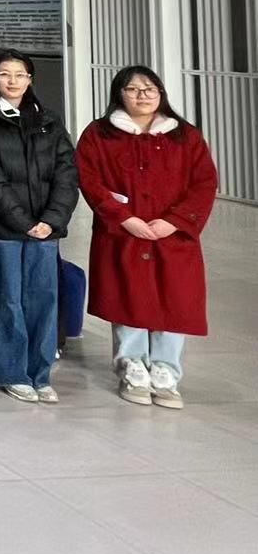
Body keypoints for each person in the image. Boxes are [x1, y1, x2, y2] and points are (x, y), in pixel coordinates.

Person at [76, 66, 218, 409]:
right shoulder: (100, 134)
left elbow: (204, 183)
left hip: (172, 237)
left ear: (161, 93)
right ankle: (132, 367)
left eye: (150, 89)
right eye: (133, 89)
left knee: (174, 300)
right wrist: (124, 218)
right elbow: (89, 179)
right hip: (124, 234)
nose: (142, 95)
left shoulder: (184, 136)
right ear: (119, 94)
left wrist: (175, 221)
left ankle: (166, 370)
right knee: (129, 297)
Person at [0, 48, 79, 403]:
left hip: (45, 230)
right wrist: (24, 222)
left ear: (30, 79)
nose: (13, 81)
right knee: (7, 301)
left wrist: (52, 220)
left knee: (43, 301)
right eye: (5, 74)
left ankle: (40, 374)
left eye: (20, 74)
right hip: (1, 229)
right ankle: (12, 373)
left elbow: (67, 173)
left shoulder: (48, 120)